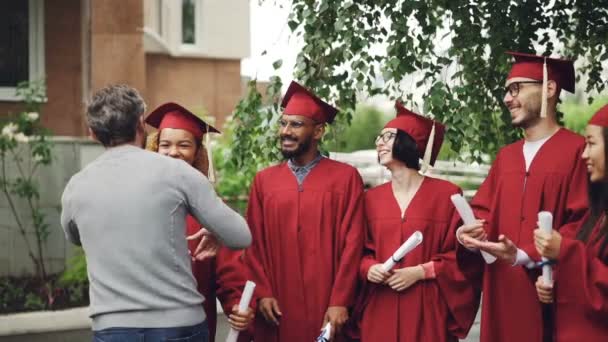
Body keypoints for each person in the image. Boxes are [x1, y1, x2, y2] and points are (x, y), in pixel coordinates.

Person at [60, 84, 251, 342]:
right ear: (141, 125)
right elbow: (240, 236)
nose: (174, 152)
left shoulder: (76, 186)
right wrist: (217, 231)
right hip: (178, 325)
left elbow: (75, 237)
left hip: (113, 326)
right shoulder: (181, 175)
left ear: (92, 133)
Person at [457, 52, 588, 342]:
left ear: (549, 89)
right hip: (501, 292)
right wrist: (468, 232)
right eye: (506, 91)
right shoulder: (506, 157)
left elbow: (584, 223)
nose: (507, 98)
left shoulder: (578, 151)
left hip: (550, 291)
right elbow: (483, 214)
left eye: (516, 88)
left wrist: (526, 253)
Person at [244, 81, 365, 342]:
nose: (285, 131)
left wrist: (340, 300)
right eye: (283, 123)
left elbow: (353, 244)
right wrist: (262, 292)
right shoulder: (265, 181)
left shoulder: (345, 178)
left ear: (319, 130)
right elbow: (252, 242)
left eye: (296, 124)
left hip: (326, 303)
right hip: (277, 305)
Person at [358, 102, 479, 341]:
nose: (378, 142)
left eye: (388, 136)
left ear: (410, 142)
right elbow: (358, 250)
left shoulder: (446, 195)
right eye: (379, 137)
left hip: (427, 307)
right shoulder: (370, 199)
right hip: (381, 306)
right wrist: (369, 268)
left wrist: (420, 272)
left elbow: (464, 257)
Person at [144, 102, 254, 342]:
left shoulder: (209, 209)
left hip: (191, 329)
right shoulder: (137, 200)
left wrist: (237, 305)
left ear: (197, 153)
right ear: (155, 148)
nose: (173, 152)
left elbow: (230, 274)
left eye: (184, 145)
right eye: (165, 144)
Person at [534, 104, 608, 341]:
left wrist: (565, 252)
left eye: (592, 143)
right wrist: (553, 282)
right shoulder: (597, 215)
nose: (584, 154)